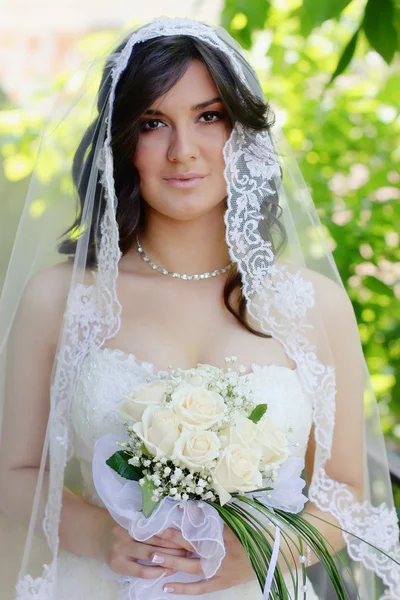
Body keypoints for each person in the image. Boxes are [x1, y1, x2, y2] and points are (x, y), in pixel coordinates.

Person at [0, 16, 399, 600]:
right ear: (123, 144)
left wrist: (261, 552)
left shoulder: (313, 304)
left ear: (244, 133)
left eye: (209, 117)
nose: (182, 151)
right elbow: (13, 475)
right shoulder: (63, 299)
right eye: (153, 123)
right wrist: (100, 533)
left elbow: (342, 493)